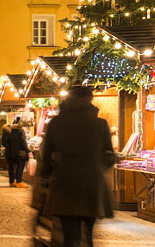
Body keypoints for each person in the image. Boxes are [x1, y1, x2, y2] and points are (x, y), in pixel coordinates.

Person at [39, 86, 114, 247]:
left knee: (70, 236)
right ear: (89, 100)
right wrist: (96, 167)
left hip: (64, 184)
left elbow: (45, 158)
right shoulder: (100, 124)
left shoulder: (56, 123)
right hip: (92, 185)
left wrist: (49, 176)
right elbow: (109, 156)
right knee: (89, 236)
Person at [8, 123, 30, 188]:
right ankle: (19, 182)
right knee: (20, 167)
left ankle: (16, 181)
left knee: (16, 167)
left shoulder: (10, 133)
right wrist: (28, 151)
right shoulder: (21, 132)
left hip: (13, 153)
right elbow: (23, 143)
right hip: (21, 152)